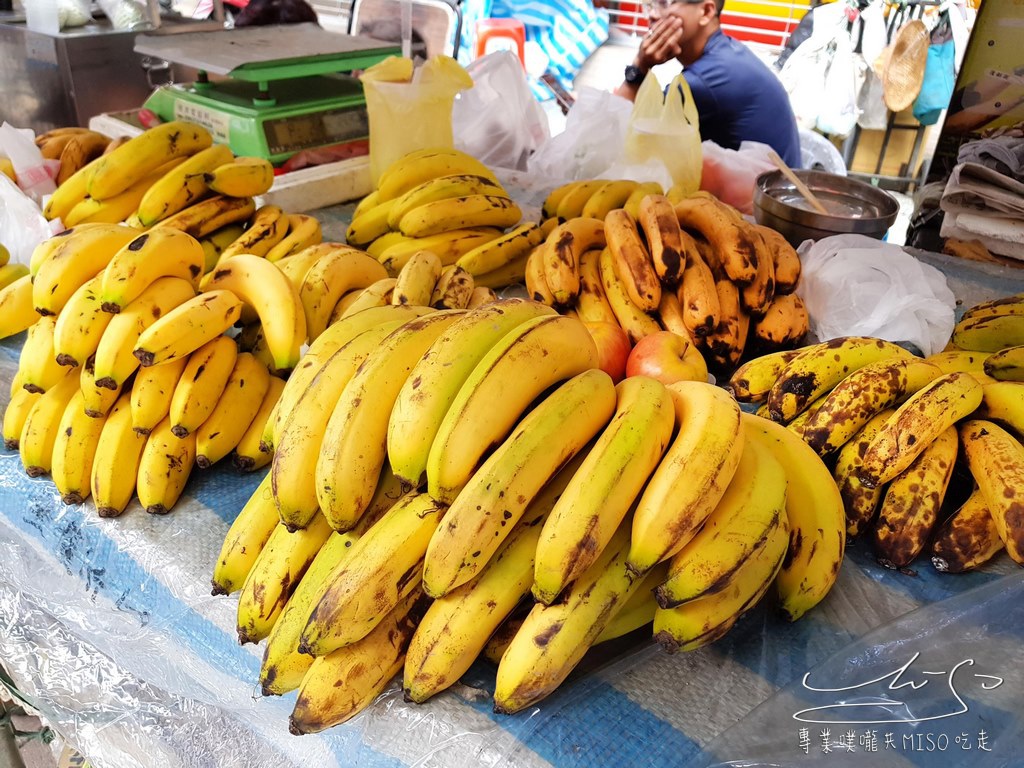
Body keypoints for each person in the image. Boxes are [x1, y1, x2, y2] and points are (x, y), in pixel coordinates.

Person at [615, 0, 802, 168]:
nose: (653, 15)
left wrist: (640, 65)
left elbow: (615, 131)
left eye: (665, 3)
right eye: (650, 5)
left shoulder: (705, 82)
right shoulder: (728, 52)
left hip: (760, 204)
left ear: (705, 11)